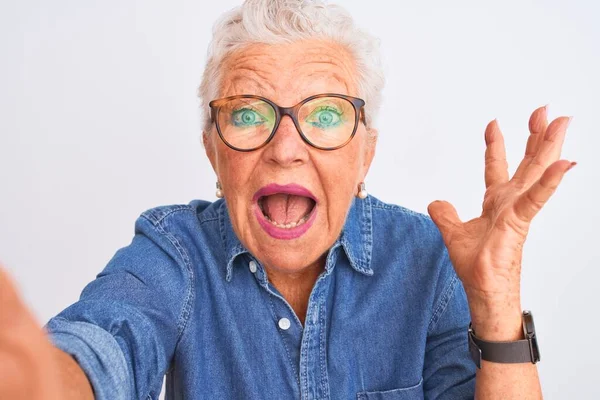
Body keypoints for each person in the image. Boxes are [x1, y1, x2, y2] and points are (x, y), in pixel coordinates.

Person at [0, 0, 575, 399]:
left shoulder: (426, 257)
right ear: (212, 153)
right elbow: (106, 344)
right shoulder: (176, 252)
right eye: (248, 114)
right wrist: (33, 376)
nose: (285, 148)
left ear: (365, 154)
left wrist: (497, 305)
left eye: (325, 115)